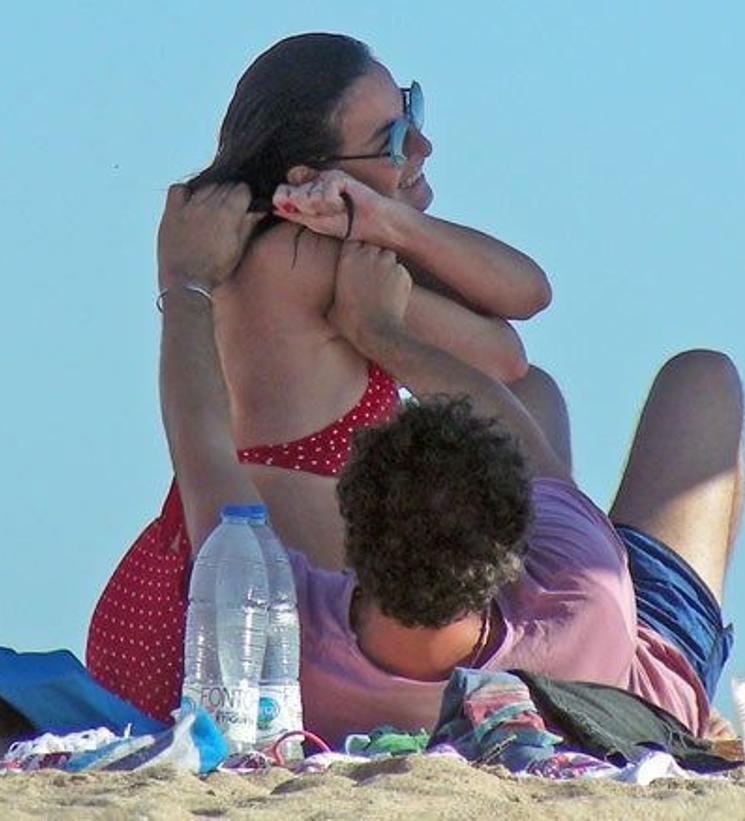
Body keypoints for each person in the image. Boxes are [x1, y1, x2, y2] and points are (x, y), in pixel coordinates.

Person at [90, 182, 744, 740]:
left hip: (535, 668)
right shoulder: (584, 589)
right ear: (513, 534)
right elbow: (515, 427)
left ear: (352, 532)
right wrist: (383, 332)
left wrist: (181, 279)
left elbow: (200, 441)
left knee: (534, 393)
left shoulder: (292, 635)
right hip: (631, 690)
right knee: (702, 378)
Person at [87, 33, 551, 715]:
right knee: (539, 398)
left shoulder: (283, 242)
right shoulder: (303, 258)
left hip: (198, 587)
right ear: (311, 178)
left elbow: (520, 304)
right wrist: (388, 229)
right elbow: (508, 348)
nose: (422, 147)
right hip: (255, 622)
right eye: (393, 138)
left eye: (413, 111)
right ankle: (583, 619)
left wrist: (385, 216)